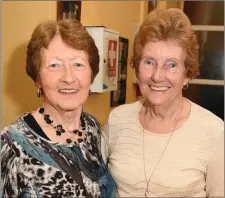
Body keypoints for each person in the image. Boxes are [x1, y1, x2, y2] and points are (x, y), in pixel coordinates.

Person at [101, 8, 224, 197]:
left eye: (171, 65)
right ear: (137, 67)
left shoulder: (214, 131)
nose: (157, 76)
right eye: (149, 62)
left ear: (187, 74)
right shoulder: (117, 119)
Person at [1, 19, 116, 198]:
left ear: (91, 74)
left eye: (78, 64)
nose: (68, 78)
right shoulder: (12, 145)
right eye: (54, 65)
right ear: (37, 78)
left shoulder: (91, 126)